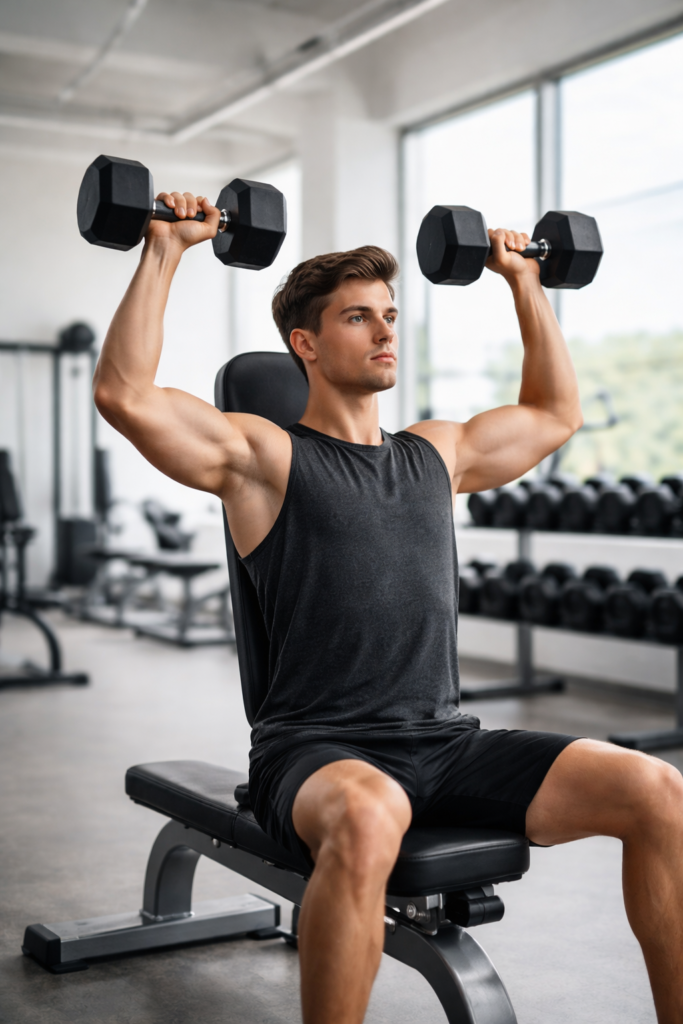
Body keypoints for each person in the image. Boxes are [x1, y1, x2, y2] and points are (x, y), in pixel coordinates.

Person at [94, 189, 683, 1024]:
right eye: (357, 318)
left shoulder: (435, 453)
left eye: (390, 316)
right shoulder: (264, 456)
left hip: (447, 743)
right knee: (371, 813)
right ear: (305, 343)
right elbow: (125, 394)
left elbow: (555, 415)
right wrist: (163, 248)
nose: (384, 333)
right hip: (319, 750)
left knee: (656, 788)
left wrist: (523, 283)